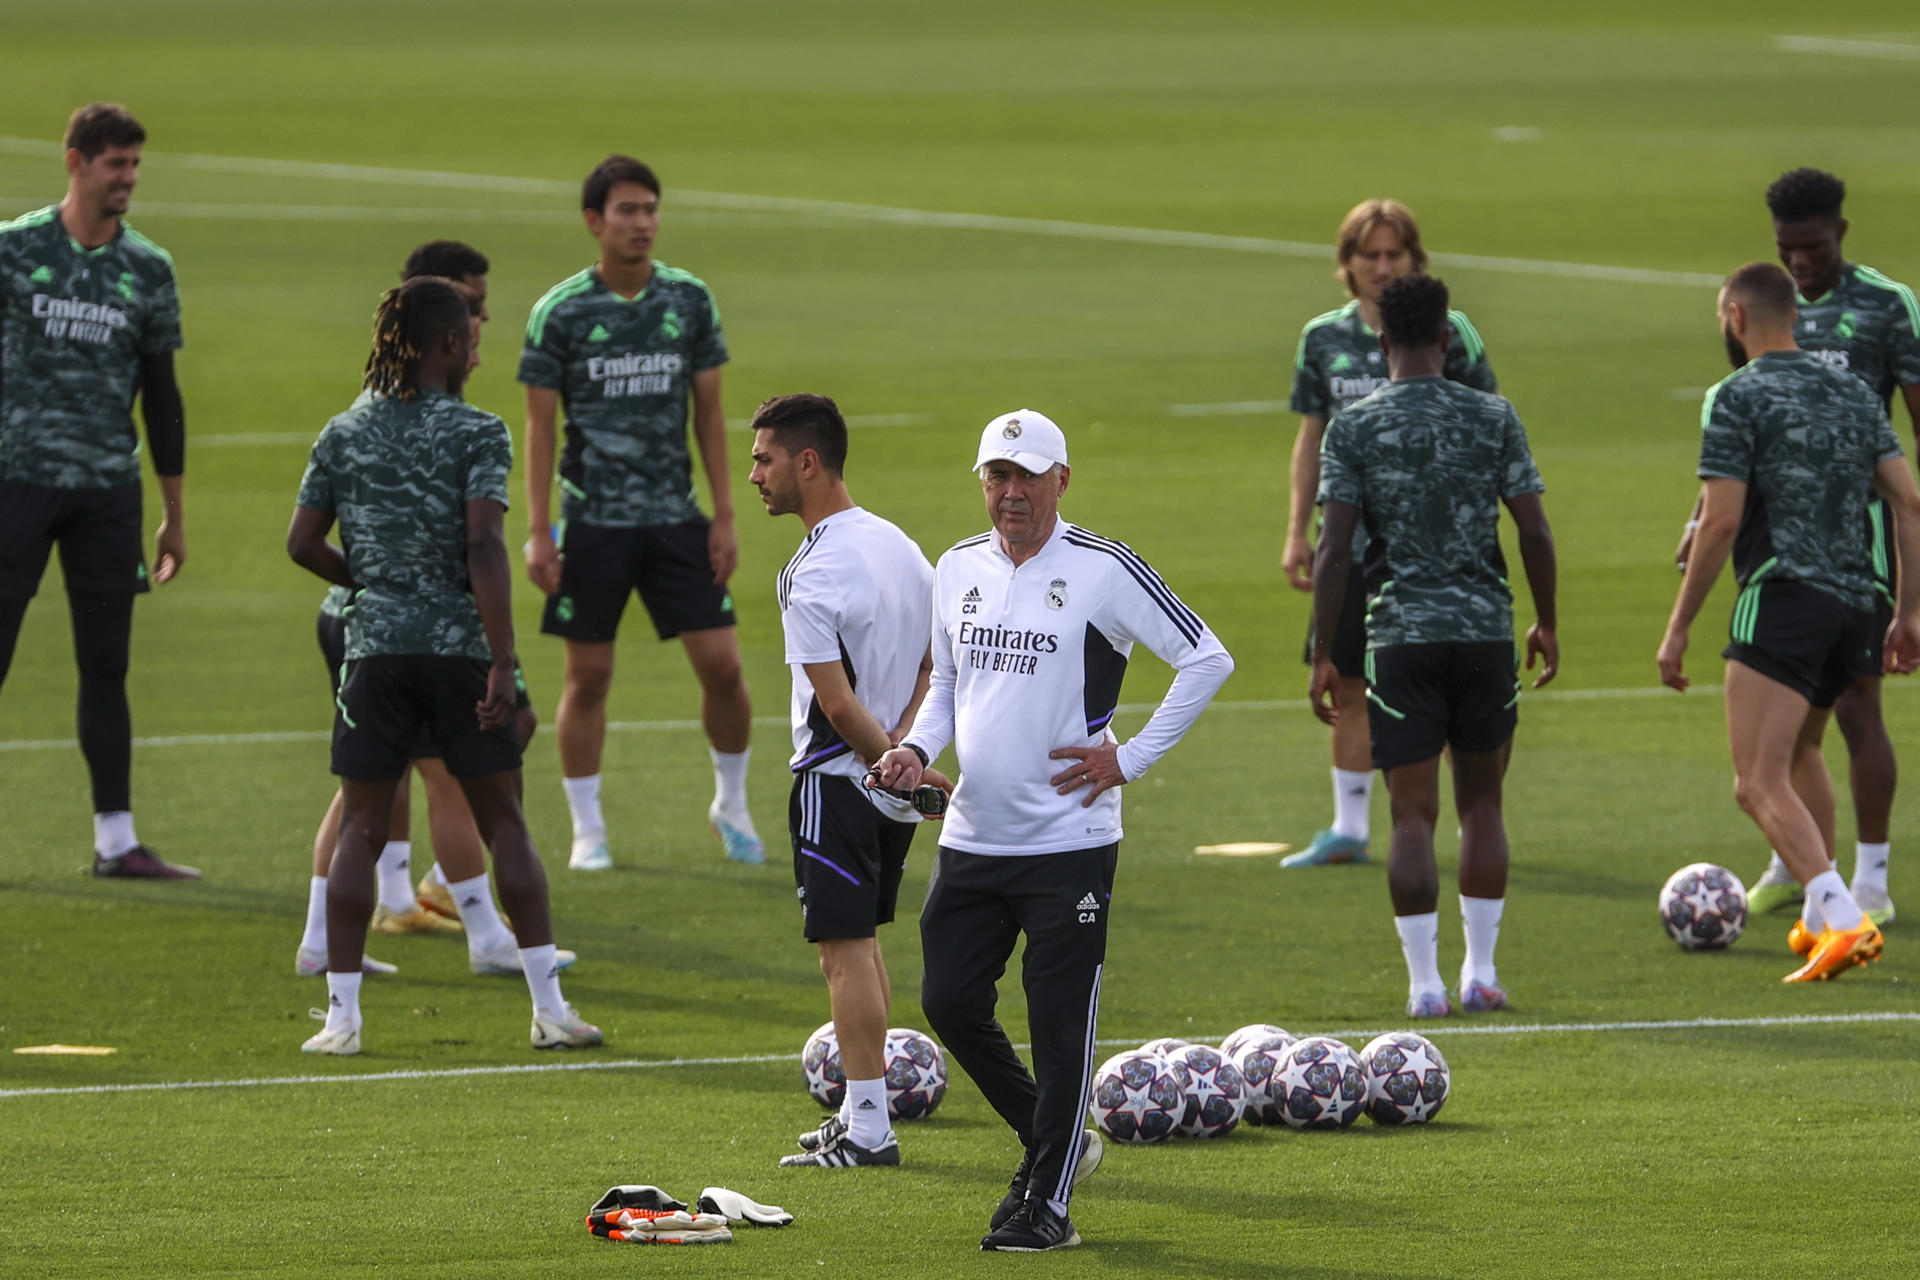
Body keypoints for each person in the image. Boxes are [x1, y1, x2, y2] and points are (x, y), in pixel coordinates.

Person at [873, 409, 1233, 1251]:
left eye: (1026, 476)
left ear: (1060, 480)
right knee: (949, 1001)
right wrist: (914, 749)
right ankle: (1054, 1145)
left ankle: (1050, 1203)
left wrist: (1129, 758)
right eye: (996, 476)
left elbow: (1206, 657)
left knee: (1059, 1022)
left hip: (1070, 843)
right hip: (971, 836)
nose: (1010, 492)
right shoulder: (956, 567)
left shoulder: (1103, 569)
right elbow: (949, 685)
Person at [287, 275, 601, 1054]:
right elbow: (484, 545)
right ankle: (548, 1010)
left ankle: (343, 1020)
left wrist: (370, 581)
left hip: (373, 652)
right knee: (505, 824)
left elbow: (300, 543)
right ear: (451, 344)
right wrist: (504, 660)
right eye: (472, 337)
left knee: (361, 824)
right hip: (457, 650)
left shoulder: (343, 431)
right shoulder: (476, 431)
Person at [1658, 262, 1920, 984]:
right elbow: (1909, 501)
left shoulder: (1734, 395)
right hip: (1857, 602)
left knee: (1756, 780)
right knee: (1804, 750)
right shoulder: (1856, 394)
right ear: (1795, 317)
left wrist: (1678, 626)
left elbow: (1723, 522)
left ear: (1735, 318)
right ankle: (1818, 906)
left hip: (1782, 597)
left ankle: (1843, 916)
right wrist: (1908, 611)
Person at [1309, 273, 1558, 1019]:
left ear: (1381, 341)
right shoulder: (1493, 415)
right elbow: (1535, 530)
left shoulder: (1352, 426)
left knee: (1411, 817)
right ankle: (1481, 971)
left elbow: (1335, 548)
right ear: (1447, 338)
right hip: (1484, 630)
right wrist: (1546, 622)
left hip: (1399, 637)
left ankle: (1425, 986)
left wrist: (1326, 650)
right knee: (1483, 803)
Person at [519, 154, 759, 871]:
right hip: (591, 521)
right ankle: (587, 829)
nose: (643, 223)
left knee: (722, 665)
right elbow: (538, 428)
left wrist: (723, 514)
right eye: (627, 211)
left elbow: (711, 415)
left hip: (673, 517)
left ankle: (732, 802)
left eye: (651, 209)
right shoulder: (559, 312)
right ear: (594, 221)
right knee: (588, 677)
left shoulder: (689, 301)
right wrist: (538, 530)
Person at [743, 393, 945, 1168]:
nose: (754, 474)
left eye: (764, 459)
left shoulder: (812, 568)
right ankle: (867, 1112)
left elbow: (833, 701)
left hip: (838, 781)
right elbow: (934, 664)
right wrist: (910, 760)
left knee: (842, 952)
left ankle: (868, 1130)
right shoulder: (899, 546)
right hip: (888, 789)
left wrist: (886, 758)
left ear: (807, 462)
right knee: (863, 948)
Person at [0, 102, 194, 878]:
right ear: (75, 161)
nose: (129, 179)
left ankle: (116, 840)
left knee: (106, 664)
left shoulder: (149, 268)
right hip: (16, 482)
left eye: (135, 165)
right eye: (116, 164)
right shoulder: (14, 251)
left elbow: (163, 396)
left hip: (107, 494)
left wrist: (173, 514)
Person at [1281, 199, 1498, 869]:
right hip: (1347, 541)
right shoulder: (1323, 339)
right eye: (1368, 255)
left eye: (1393, 255)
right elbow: (1310, 436)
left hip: (1429, 548)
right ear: (1346, 265)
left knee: (1434, 680)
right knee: (1346, 679)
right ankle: (1349, 828)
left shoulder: (1451, 331)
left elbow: (1484, 422)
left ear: (1414, 259)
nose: (1381, 267)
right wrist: (1297, 531)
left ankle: (1455, 818)